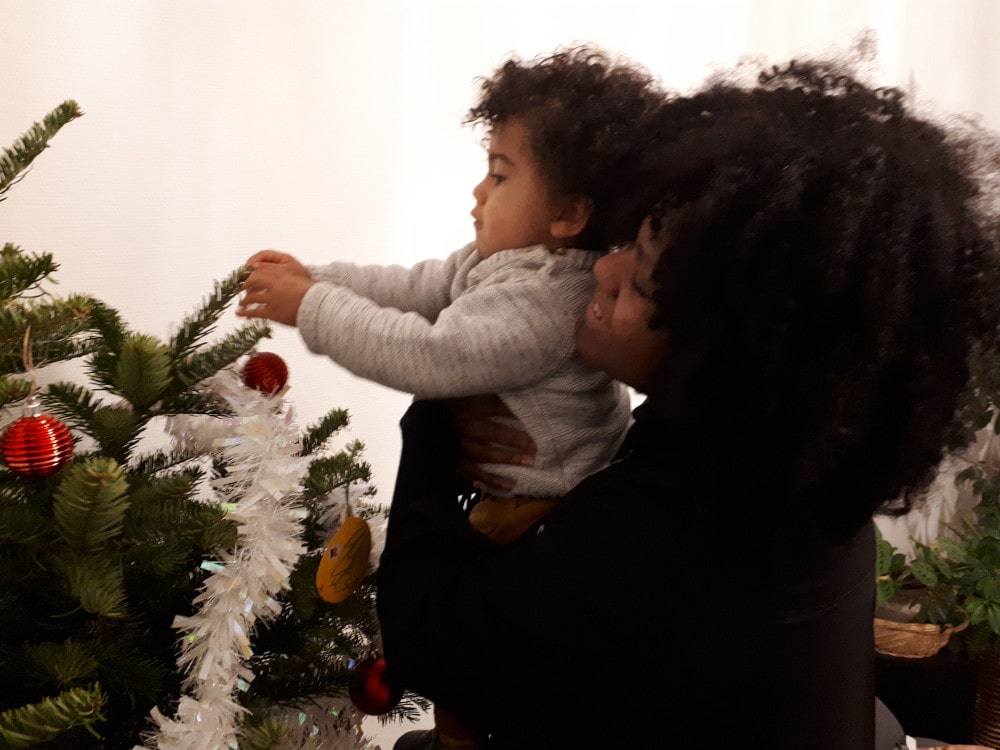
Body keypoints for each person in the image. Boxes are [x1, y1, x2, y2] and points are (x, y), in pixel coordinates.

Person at [375, 51, 1000, 749]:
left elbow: (428, 639)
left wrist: (438, 396)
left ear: (726, 346)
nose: (602, 273)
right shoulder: (798, 462)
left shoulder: (672, 522)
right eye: (625, 242)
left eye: (639, 284)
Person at [236, 46, 665, 748]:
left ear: (568, 213)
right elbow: (416, 286)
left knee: (468, 660)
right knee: (457, 659)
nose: (478, 194)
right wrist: (317, 275)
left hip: (539, 513)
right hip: (496, 506)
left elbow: (428, 356)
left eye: (499, 176)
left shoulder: (549, 298)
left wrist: (310, 305)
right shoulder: (503, 264)